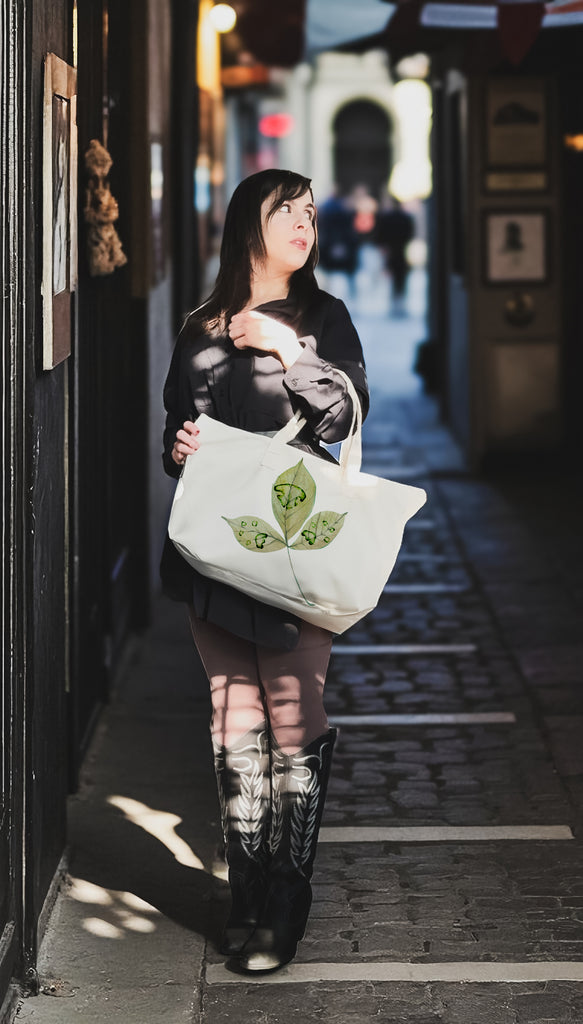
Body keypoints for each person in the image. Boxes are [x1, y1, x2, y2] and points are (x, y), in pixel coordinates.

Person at [160, 169, 369, 973]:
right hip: (216, 546)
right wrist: (179, 449)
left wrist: (287, 349)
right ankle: (245, 889)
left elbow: (345, 413)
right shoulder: (199, 328)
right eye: (289, 209)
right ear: (250, 219)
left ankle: (287, 895)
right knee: (231, 718)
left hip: (297, 539)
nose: (305, 223)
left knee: (292, 712)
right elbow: (175, 435)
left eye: (312, 213)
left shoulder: (324, 317)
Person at [376, 198, 415, 316]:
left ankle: (394, 303)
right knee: (402, 278)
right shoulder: (406, 218)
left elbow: (381, 235)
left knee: (393, 278)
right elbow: (410, 234)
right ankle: (401, 302)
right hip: (402, 251)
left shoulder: (387, 218)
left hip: (391, 251)